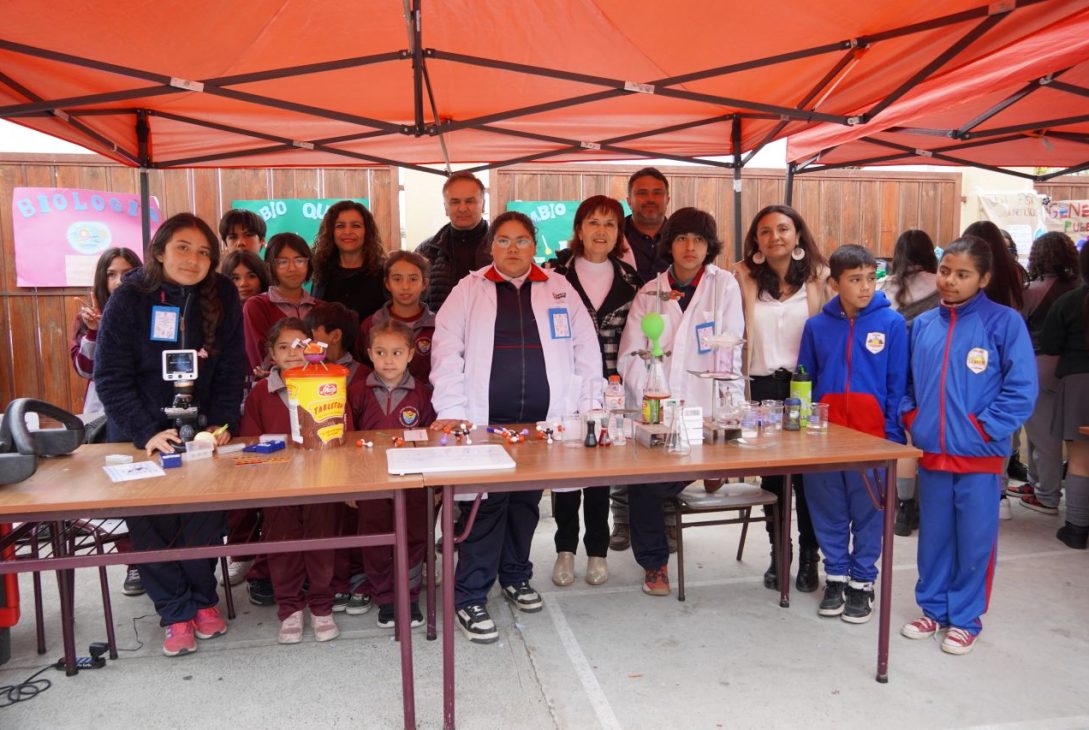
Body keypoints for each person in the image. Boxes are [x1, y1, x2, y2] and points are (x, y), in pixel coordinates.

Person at [430, 211, 603, 644]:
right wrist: (451, 408)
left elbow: (586, 352)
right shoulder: (467, 291)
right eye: (504, 240)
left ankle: (515, 575)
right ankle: (469, 595)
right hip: (485, 422)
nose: (512, 248)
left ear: (534, 244)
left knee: (525, 504)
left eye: (522, 240)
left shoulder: (560, 288)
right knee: (484, 510)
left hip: (543, 425)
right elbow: (446, 353)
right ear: (491, 246)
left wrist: (588, 406)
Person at [94, 212, 245, 657]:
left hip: (202, 433)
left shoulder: (222, 294)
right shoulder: (131, 297)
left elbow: (232, 367)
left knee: (203, 520)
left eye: (203, 252)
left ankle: (202, 600)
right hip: (140, 433)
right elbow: (110, 378)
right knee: (152, 525)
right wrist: (149, 432)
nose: (194, 258)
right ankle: (173, 611)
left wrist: (220, 426)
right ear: (159, 250)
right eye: (183, 247)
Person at [900, 235, 1036, 655]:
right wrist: (913, 418)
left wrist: (983, 429)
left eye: (963, 275)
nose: (950, 282)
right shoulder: (922, 325)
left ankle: (965, 618)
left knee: (975, 540)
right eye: (945, 271)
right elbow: (906, 385)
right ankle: (933, 608)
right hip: (934, 455)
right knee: (934, 537)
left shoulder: (1004, 323)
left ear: (984, 278)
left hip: (979, 457)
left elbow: (1021, 390)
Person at [618, 207, 743, 596]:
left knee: (666, 480)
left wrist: (731, 408)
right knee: (644, 486)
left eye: (699, 240)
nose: (690, 247)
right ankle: (655, 563)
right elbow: (629, 355)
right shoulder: (649, 293)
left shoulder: (724, 286)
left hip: (708, 410)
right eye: (682, 239)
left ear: (710, 246)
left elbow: (731, 350)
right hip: (659, 412)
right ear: (669, 244)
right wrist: (656, 393)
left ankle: (706, 472)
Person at [798, 245, 908, 623]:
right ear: (834, 283)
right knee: (828, 510)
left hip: (873, 437)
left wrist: (891, 434)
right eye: (855, 279)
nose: (866, 287)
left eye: (871, 278)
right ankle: (836, 577)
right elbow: (804, 381)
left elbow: (897, 384)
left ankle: (863, 582)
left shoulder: (892, 324)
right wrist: (805, 430)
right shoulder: (816, 327)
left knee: (868, 513)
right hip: (825, 439)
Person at [547, 195, 643, 588]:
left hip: (612, 391)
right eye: (593, 222)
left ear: (619, 232)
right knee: (567, 472)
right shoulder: (553, 276)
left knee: (602, 473)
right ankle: (565, 550)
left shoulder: (632, 281)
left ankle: (598, 552)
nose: (600, 231)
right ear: (579, 229)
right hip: (565, 387)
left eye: (609, 224)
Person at [735, 204, 829, 593]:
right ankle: (780, 553)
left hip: (803, 389)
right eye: (766, 231)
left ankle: (810, 556)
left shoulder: (821, 278)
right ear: (756, 240)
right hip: (760, 390)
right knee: (773, 479)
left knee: (809, 482)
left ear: (798, 235)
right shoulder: (740, 278)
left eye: (783, 229)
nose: (775, 237)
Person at [240, 317, 343, 643]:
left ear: (313, 348)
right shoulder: (261, 392)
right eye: (283, 347)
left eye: (300, 345)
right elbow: (250, 439)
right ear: (271, 354)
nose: (292, 352)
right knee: (282, 546)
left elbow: (342, 427)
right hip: (278, 485)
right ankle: (289, 608)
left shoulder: (329, 381)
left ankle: (322, 606)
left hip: (321, 480)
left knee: (322, 542)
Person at [349, 319, 435, 629]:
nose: (389, 360)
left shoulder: (423, 394)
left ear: (412, 354)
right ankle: (385, 598)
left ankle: (409, 596)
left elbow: (432, 441)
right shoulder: (356, 392)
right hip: (371, 483)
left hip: (412, 484)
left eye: (397, 353)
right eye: (381, 352)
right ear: (369, 353)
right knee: (374, 539)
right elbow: (347, 442)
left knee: (414, 537)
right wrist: (352, 487)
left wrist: (432, 484)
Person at [69, 246, 143, 595]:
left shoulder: (148, 309)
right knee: (122, 487)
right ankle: (134, 564)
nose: (118, 281)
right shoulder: (90, 316)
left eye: (127, 273)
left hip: (145, 411)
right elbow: (85, 369)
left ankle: (156, 558)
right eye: (111, 274)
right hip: (105, 412)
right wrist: (95, 333)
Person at [610, 167, 672, 551]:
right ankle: (622, 519)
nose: (650, 199)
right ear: (629, 198)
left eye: (657, 192)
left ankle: (665, 521)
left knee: (664, 435)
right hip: (620, 343)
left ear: (667, 197)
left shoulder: (678, 236)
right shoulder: (618, 237)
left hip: (667, 351)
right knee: (625, 435)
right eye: (642, 193)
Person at [878, 229, 939, 537]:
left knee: (903, 436)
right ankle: (927, 505)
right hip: (931, 369)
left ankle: (903, 509)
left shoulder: (885, 286)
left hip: (896, 367)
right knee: (925, 434)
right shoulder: (941, 284)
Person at [1014, 232, 1080, 515]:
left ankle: (1047, 495)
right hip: (1072, 369)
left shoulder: (1033, 291)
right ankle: (1036, 483)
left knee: (1043, 434)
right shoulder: (1079, 286)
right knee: (1053, 432)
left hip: (1040, 364)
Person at [964, 220, 1030, 502]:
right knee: (1005, 423)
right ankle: (999, 489)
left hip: (973, 353)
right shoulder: (1014, 273)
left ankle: (984, 487)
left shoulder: (975, 273)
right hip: (1008, 348)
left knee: (974, 415)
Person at [1039, 242, 1089, 549]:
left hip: (1078, 384)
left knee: (1080, 460)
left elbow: (1050, 345)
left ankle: (1076, 528)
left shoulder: (1070, 302)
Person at [243, 232, 320, 372]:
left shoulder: (321, 308)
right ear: (270, 266)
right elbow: (261, 363)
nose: (292, 268)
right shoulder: (257, 306)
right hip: (274, 389)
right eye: (283, 262)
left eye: (299, 260)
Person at [415, 172, 491, 312]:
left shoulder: (505, 248)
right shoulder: (426, 251)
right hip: (441, 331)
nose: (462, 208)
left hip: (493, 332)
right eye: (455, 202)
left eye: (470, 201)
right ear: (445, 207)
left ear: (483, 204)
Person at [358, 251, 435, 385]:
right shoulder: (371, 324)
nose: (405, 287)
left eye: (413, 279)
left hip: (427, 401)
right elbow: (361, 368)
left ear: (424, 283)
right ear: (387, 283)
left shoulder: (438, 326)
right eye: (397, 279)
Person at [312, 200, 388, 322]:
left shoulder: (384, 273)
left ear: (367, 232)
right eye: (340, 226)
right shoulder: (322, 272)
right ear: (331, 232)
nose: (347, 232)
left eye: (356, 226)